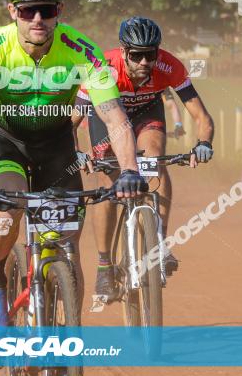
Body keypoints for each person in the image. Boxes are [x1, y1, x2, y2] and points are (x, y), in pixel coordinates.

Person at [0, 0, 146, 329]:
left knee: (68, 248)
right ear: (13, 11)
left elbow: (115, 118)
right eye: (27, 10)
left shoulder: (81, 50)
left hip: (57, 144)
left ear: (60, 11)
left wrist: (131, 170)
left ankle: (68, 334)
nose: (37, 18)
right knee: (8, 214)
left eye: (48, 9)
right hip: (5, 139)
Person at [73, 16, 214, 299]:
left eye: (150, 54)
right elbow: (71, 122)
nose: (144, 62)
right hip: (107, 114)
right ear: (124, 51)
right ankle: (104, 265)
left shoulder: (169, 66)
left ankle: (158, 241)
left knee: (155, 160)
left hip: (147, 112)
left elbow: (202, 117)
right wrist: (76, 151)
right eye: (137, 55)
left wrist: (204, 144)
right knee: (108, 177)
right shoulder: (103, 67)